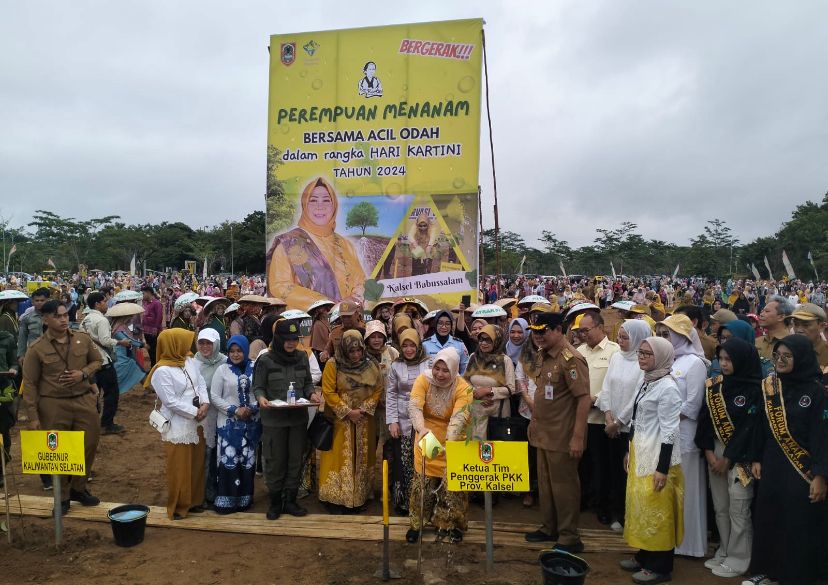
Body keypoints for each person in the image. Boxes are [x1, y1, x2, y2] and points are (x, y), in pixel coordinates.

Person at [748, 335, 827, 585]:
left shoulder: (817, 392)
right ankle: (770, 572)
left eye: (787, 356)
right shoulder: (770, 386)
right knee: (770, 518)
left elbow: (821, 436)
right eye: (777, 356)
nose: (780, 361)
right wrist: (756, 458)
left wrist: (820, 475)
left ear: (801, 357)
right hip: (772, 465)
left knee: (797, 524)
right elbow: (760, 426)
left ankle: (796, 576)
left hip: (802, 470)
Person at [21, 300, 103, 515]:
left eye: (66, 315)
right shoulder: (36, 348)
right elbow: (29, 383)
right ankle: (63, 496)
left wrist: (83, 373)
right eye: (58, 316)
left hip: (83, 400)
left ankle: (79, 488)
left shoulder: (82, 339)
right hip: (53, 405)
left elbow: (98, 361)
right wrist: (32, 416)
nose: (64, 319)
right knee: (59, 453)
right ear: (46, 319)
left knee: (89, 444)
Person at [524, 311, 590, 552]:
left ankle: (569, 537)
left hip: (563, 437)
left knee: (564, 487)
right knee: (546, 485)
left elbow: (583, 399)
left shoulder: (570, 359)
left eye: (543, 331)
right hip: (544, 434)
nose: (538, 336)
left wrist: (578, 437)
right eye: (535, 331)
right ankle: (549, 527)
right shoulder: (546, 355)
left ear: (559, 331)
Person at [620, 336, 684, 585]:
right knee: (642, 507)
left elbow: (670, 431)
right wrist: (629, 450)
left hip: (659, 458)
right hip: (641, 452)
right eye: (641, 352)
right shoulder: (648, 381)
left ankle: (660, 567)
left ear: (662, 357)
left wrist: (662, 469)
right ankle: (644, 556)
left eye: (648, 354)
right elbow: (638, 419)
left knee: (658, 512)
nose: (642, 357)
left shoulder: (668, 388)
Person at [694, 338, 760, 578]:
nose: (723, 364)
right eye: (720, 359)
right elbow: (705, 421)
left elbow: (750, 428)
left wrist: (728, 458)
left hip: (740, 458)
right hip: (715, 452)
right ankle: (724, 549)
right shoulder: (714, 386)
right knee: (720, 507)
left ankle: (740, 558)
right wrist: (710, 453)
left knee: (739, 508)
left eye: (728, 359)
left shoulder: (755, 389)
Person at [253, 320, 321, 520]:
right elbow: (258, 386)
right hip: (274, 421)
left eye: (295, 339)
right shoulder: (266, 360)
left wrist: (312, 395)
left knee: (294, 461)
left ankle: (290, 500)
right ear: (278, 339)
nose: (291, 343)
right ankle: (275, 502)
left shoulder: (301, 358)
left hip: (297, 420)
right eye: (287, 339)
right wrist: (261, 398)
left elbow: (307, 383)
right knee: (275, 461)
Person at [407, 347, 473, 543]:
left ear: (454, 370)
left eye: (446, 370)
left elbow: (459, 418)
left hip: (454, 439)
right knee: (423, 484)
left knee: (452, 487)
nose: (440, 374)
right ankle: (417, 524)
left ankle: (453, 525)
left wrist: (449, 444)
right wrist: (421, 429)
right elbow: (414, 406)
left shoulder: (463, 388)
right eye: (437, 368)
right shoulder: (423, 380)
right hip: (426, 435)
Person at [267, 177, 366, 308]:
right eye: (313, 200)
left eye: (326, 200)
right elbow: (280, 286)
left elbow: (361, 282)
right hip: (305, 321)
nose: (320, 206)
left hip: (347, 318)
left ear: (334, 205)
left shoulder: (346, 245)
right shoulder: (289, 243)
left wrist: (353, 301)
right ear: (304, 205)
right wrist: (324, 304)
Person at [655, 314, 708, 558]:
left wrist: (664, 416)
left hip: (684, 436)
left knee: (686, 491)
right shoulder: (669, 360)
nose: (663, 339)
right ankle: (668, 540)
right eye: (661, 334)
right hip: (665, 435)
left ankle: (689, 545)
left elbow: (692, 405)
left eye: (668, 335)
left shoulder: (694, 363)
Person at [146, 328, 210, 520]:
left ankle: (195, 501)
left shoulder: (189, 360)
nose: (188, 346)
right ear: (174, 345)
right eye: (184, 342)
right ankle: (180, 506)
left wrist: (205, 404)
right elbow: (171, 401)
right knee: (180, 467)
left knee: (196, 463)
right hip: (179, 424)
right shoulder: (161, 371)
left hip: (198, 421)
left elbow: (200, 384)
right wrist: (195, 412)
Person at [318, 330, 383, 513]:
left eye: (359, 351)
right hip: (341, 421)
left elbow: (378, 388)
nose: (356, 355)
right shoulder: (333, 364)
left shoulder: (371, 364)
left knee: (362, 456)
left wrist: (364, 409)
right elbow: (328, 391)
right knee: (339, 458)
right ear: (344, 350)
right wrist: (347, 412)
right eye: (351, 351)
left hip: (364, 419)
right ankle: (336, 498)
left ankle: (359, 497)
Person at [597, 319, 650, 532]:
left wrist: (619, 422)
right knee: (613, 472)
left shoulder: (643, 362)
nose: (620, 341)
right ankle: (615, 512)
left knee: (628, 473)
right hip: (611, 424)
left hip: (628, 428)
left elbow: (637, 396)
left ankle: (630, 516)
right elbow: (607, 387)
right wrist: (609, 416)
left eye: (625, 338)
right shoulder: (617, 357)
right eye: (618, 337)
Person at [572, 311, 620, 526]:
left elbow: (616, 387)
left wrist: (595, 399)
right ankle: (583, 499)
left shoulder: (615, 353)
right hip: (580, 420)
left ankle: (604, 506)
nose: (583, 334)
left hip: (602, 420)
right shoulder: (578, 352)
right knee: (581, 464)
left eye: (586, 330)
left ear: (600, 327)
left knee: (603, 466)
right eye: (580, 331)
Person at [209, 335, 262, 514]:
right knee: (229, 461)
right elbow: (215, 397)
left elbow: (261, 391)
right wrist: (234, 410)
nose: (236, 354)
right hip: (228, 426)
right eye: (232, 351)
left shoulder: (255, 368)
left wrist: (252, 408)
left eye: (239, 351)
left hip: (250, 424)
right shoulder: (222, 370)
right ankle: (226, 501)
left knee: (247, 462)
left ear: (245, 350)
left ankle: (244, 500)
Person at [385, 328, 430, 515]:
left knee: (424, 460)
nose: (409, 349)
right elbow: (391, 394)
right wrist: (392, 421)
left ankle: (423, 502)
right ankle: (404, 502)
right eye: (405, 345)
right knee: (403, 462)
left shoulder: (429, 363)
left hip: (424, 420)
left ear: (418, 345)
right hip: (402, 420)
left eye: (412, 345)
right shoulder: (396, 366)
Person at [82, 291, 131, 434]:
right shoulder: (101, 320)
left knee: (93, 394)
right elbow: (105, 341)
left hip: (90, 362)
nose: (107, 304)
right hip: (103, 361)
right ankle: (107, 424)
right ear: (97, 304)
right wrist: (120, 342)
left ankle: (91, 423)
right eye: (104, 301)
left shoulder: (85, 320)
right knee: (111, 394)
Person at [463, 324, 515, 440]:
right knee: (477, 449)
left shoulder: (505, 361)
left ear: (496, 341)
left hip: (498, 413)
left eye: (488, 340)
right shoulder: (473, 357)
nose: (483, 343)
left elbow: (511, 388)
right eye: (481, 339)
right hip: (476, 410)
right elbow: (465, 381)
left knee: (497, 451)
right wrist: (476, 394)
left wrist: (488, 391)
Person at [193, 328, 225, 509]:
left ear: (217, 344)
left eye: (209, 343)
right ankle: (204, 494)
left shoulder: (225, 362)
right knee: (204, 456)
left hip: (222, 416)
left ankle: (218, 491)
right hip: (202, 417)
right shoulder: (193, 364)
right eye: (202, 343)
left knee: (218, 456)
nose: (205, 347)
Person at [364, 320, 399, 450]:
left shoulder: (392, 353)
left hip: (389, 407)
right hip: (368, 408)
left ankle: (388, 470)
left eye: (379, 336)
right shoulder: (362, 355)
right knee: (370, 442)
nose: (376, 340)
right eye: (373, 336)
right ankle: (370, 470)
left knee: (389, 443)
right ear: (367, 338)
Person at [109, 312, 146, 392]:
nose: (132, 318)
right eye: (130, 316)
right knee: (122, 373)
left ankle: (147, 387)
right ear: (125, 317)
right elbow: (129, 341)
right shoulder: (119, 329)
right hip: (121, 355)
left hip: (124, 353)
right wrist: (142, 345)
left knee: (138, 369)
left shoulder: (120, 327)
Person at [17, 287, 50, 366]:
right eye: (37, 300)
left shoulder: (54, 316)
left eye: (42, 300)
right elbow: (22, 338)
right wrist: (21, 355)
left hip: (50, 353)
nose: (39, 303)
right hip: (33, 354)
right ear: (32, 302)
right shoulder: (27, 318)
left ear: (47, 301)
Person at [755, 295, 794, 360]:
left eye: (767, 311)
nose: (761, 314)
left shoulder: (792, 344)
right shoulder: (757, 341)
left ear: (781, 317)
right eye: (762, 311)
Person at [790, 302, 828, 367]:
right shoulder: (787, 350)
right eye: (796, 324)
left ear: (821, 326)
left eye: (806, 325)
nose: (799, 330)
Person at [141, 286, 164, 366]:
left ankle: (155, 367)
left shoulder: (157, 303)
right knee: (149, 349)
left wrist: (155, 328)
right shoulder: (145, 303)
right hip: (146, 331)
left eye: (143, 293)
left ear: (149, 293)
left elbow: (159, 317)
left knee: (154, 351)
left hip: (153, 332)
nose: (142, 295)